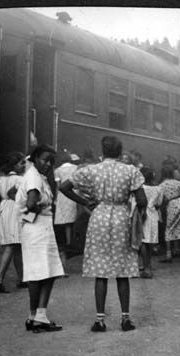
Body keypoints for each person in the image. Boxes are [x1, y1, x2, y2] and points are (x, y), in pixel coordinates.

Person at [60, 136, 146, 332]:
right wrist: (137, 213)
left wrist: (84, 202)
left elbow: (64, 187)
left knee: (101, 271)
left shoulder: (90, 170)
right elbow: (142, 200)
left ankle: (100, 320)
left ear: (103, 151)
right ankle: (125, 319)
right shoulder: (131, 171)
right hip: (122, 218)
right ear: (120, 151)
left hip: (99, 217)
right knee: (122, 271)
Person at [16, 144, 65, 333]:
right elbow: (31, 203)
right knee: (44, 273)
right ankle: (39, 316)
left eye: (51, 161)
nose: (48, 164)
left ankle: (34, 315)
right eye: (44, 159)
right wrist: (39, 207)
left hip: (37, 228)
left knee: (41, 273)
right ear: (35, 158)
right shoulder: (34, 178)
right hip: (38, 227)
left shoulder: (35, 176)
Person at [0, 152, 26, 293]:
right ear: (14, 165)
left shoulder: (0, 180)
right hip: (15, 210)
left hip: (3, 210)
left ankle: (22, 279)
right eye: (21, 163)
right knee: (12, 245)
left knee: (16, 245)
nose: (24, 166)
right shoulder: (21, 179)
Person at [158, 165, 180, 262]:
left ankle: (168, 254)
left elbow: (161, 200)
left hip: (172, 206)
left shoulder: (162, 185)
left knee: (169, 228)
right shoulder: (178, 182)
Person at [53, 150, 79, 270]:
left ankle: (65, 243)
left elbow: (58, 186)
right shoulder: (76, 168)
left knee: (63, 220)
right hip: (73, 194)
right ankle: (70, 242)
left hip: (63, 196)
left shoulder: (57, 170)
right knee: (72, 220)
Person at [139, 166, 163, 278]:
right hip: (153, 215)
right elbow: (159, 203)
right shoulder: (158, 188)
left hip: (143, 215)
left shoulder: (141, 188)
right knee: (149, 242)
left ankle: (146, 267)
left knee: (143, 241)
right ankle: (148, 265)